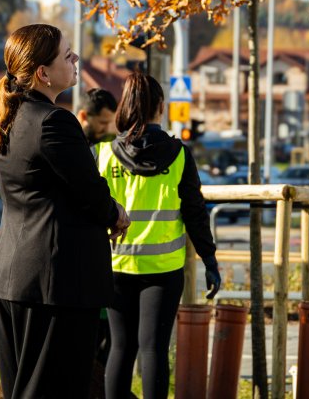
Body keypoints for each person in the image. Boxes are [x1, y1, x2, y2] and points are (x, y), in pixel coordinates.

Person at [0, 23, 130, 399]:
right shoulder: (54, 121)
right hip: (56, 285)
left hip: (12, 277)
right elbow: (91, 192)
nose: (76, 59)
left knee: (21, 389)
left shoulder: (10, 118)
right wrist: (116, 212)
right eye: (67, 55)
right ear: (42, 73)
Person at [95, 71, 220, 399]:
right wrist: (209, 259)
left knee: (120, 349)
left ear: (125, 106)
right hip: (163, 271)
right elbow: (195, 212)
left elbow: (91, 208)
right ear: (160, 107)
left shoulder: (106, 155)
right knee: (153, 351)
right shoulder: (178, 155)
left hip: (117, 266)